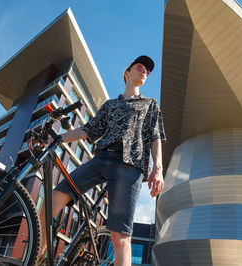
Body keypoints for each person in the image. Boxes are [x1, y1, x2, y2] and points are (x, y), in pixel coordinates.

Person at [39, 55, 166, 265]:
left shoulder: (150, 104)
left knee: (120, 237)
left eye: (148, 71)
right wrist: (59, 138)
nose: (145, 71)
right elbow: (89, 130)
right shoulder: (110, 105)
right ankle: (39, 258)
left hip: (129, 165)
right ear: (127, 74)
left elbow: (155, 136)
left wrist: (157, 169)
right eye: (140, 67)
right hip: (101, 158)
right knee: (51, 201)